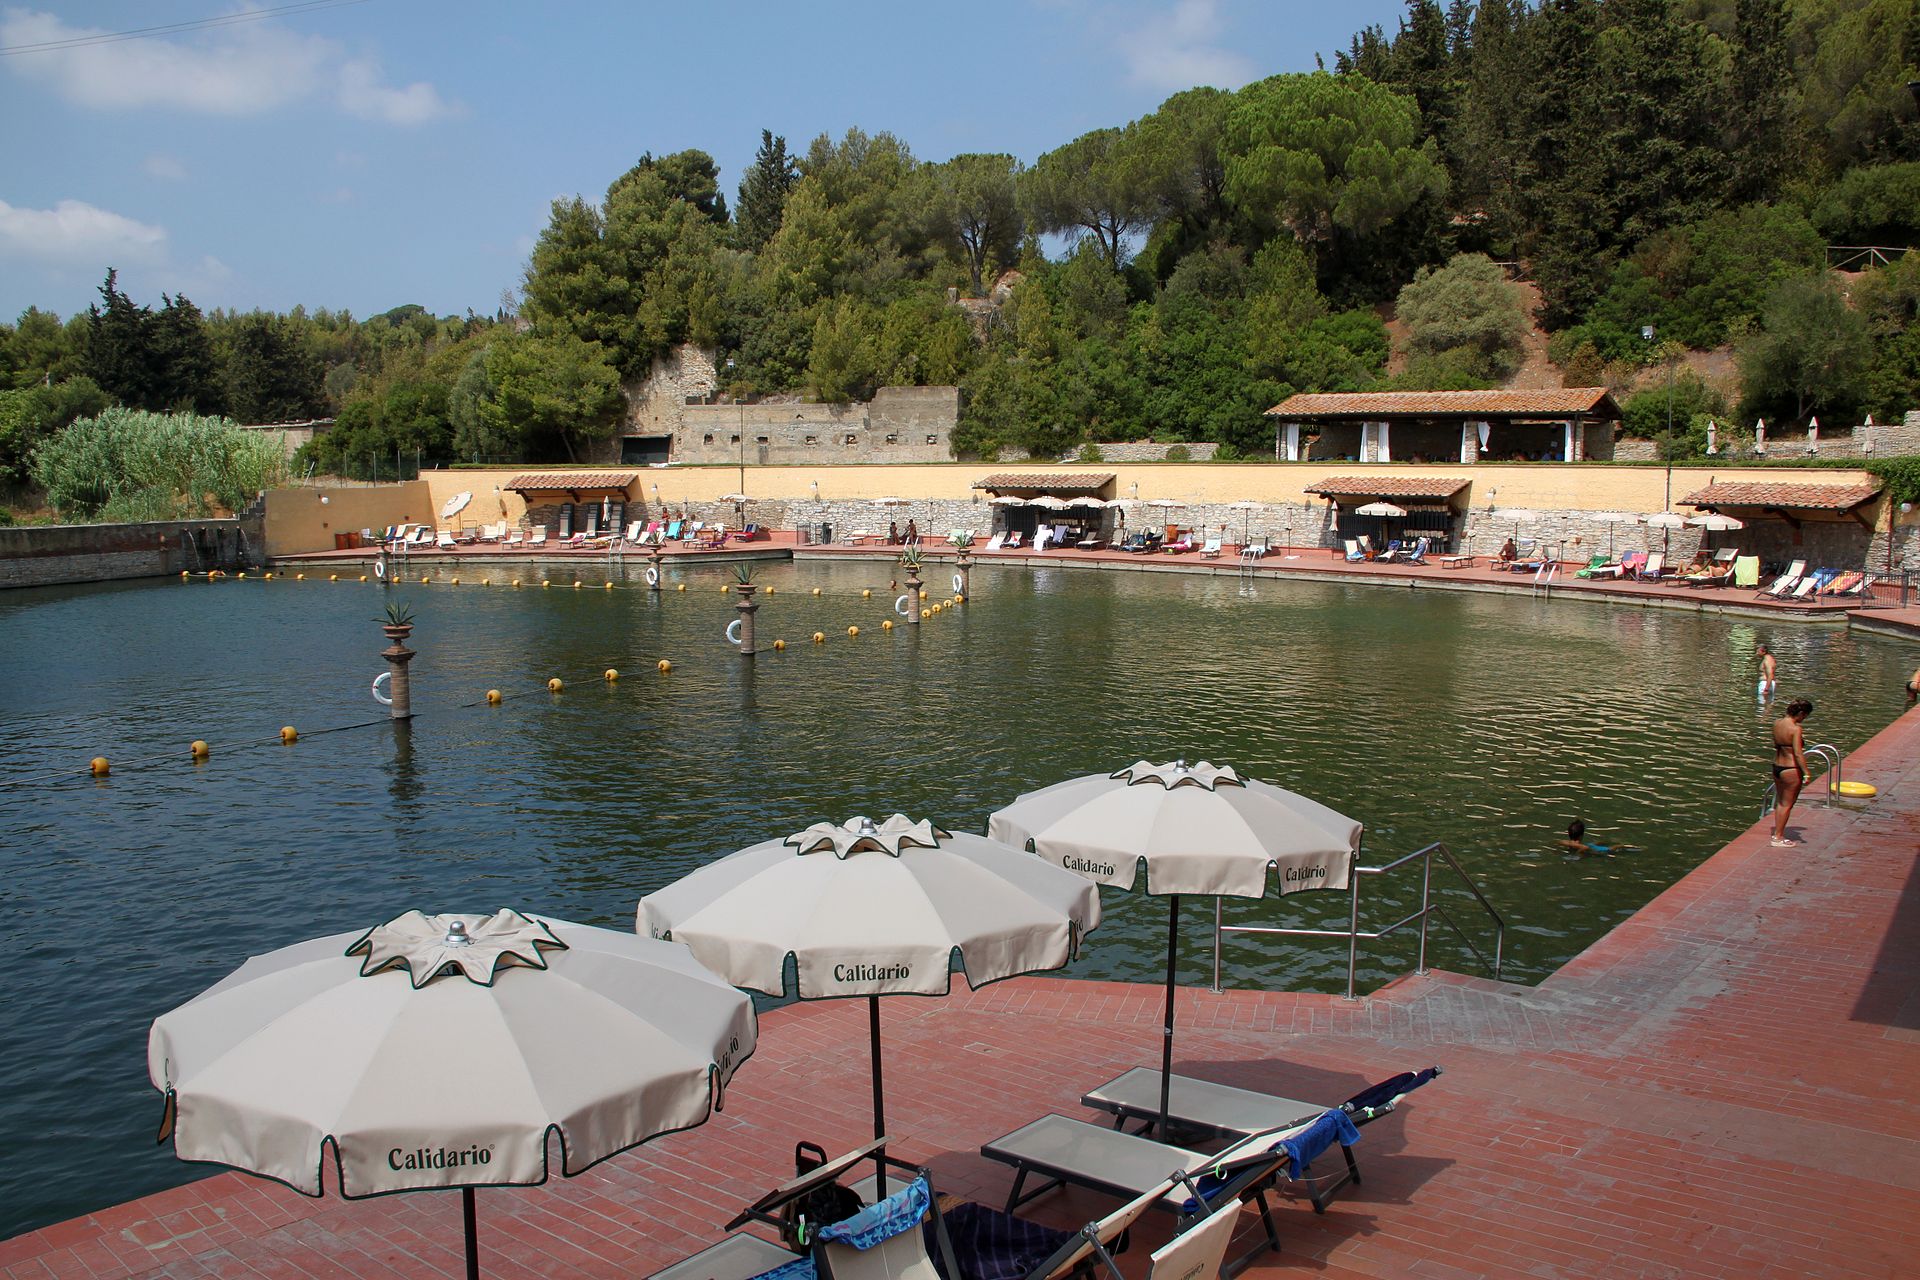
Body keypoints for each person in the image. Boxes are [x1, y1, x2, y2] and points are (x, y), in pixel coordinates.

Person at [1770, 698, 1813, 848]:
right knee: (1787, 804)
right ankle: (1778, 837)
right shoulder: (1796, 729)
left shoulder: (1777, 723)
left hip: (1777, 766)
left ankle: (1777, 833)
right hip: (1791, 768)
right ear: (1801, 713)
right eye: (1805, 716)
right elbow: (1798, 753)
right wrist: (1806, 772)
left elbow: (1776, 744)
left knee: (1781, 802)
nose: (1804, 719)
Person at [1559, 820, 1636, 857]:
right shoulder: (1582, 846)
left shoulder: (1564, 842)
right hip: (1596, 850)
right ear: (1581, 836)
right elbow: (1585, 847)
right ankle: (1625, 845)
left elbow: (1559, 842)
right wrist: (1578, 854)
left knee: (1595, 843)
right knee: (1613, 848)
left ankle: (1605, 841)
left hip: (1590, 846)